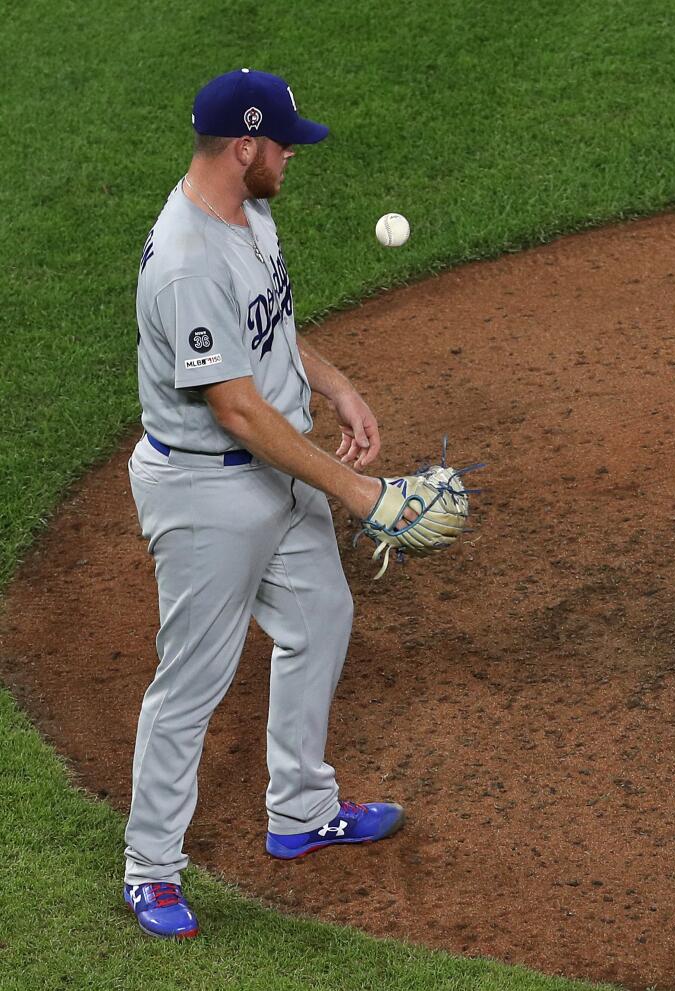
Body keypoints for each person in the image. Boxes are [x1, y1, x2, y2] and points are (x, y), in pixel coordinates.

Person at [124, 68, 401, 940]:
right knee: (192, 685)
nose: (292, 156)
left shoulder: (249, 211)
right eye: (283, 144)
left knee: (320, 616)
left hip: (272, 466)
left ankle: (300, 809)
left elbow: (273, 329)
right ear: (244, 147)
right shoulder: (185, 263)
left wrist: (337, 384)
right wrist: (355, 489)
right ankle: (149, 868)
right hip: (207, 489)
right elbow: (236, 409)